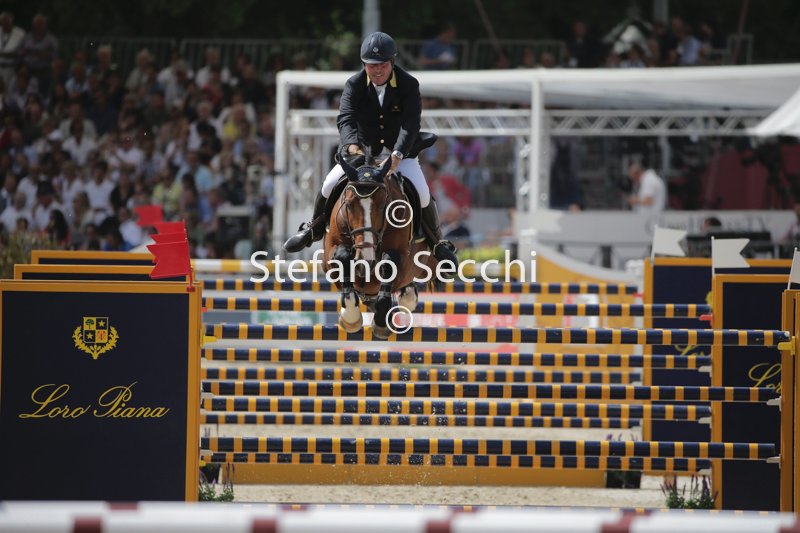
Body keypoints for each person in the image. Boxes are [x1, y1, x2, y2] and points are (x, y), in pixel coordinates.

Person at [282, 31, 457, 265]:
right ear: (364, 64)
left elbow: (410, 124)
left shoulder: (408, 84)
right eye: (372, 65)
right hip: (362, 155)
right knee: (329, 184)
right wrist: (352, 145)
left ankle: (437, 244)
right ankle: (312, 228)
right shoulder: (354, 84)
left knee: (422, 193)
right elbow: (346, 119)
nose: (377, 70)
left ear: (392, 62)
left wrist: (397, 154)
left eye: (383, 65)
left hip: (399, 154)